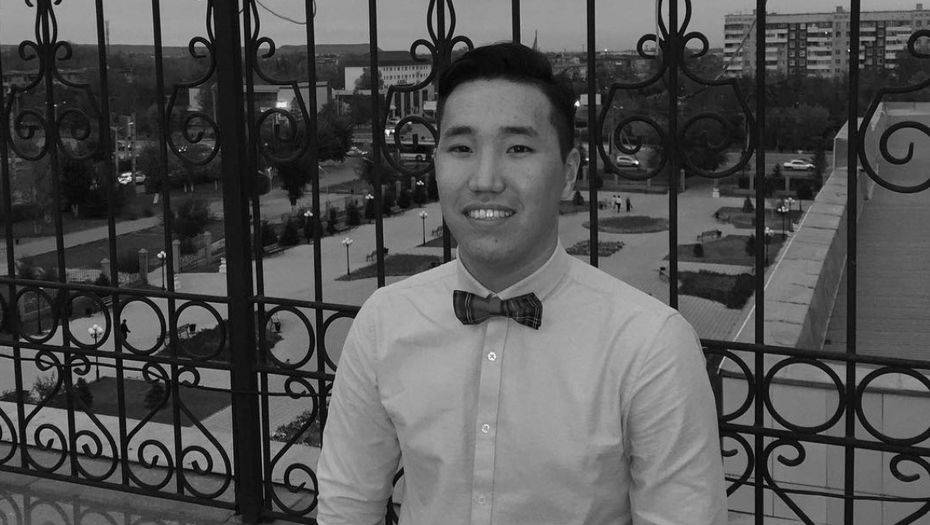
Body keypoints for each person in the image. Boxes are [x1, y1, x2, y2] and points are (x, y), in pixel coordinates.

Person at [317, 42, 726, 524]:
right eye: (462, 148)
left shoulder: (649, 345)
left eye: (518, 148)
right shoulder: (384, 322)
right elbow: (347, 504)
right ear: (437, 163)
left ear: (569, 174)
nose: (485, 179)